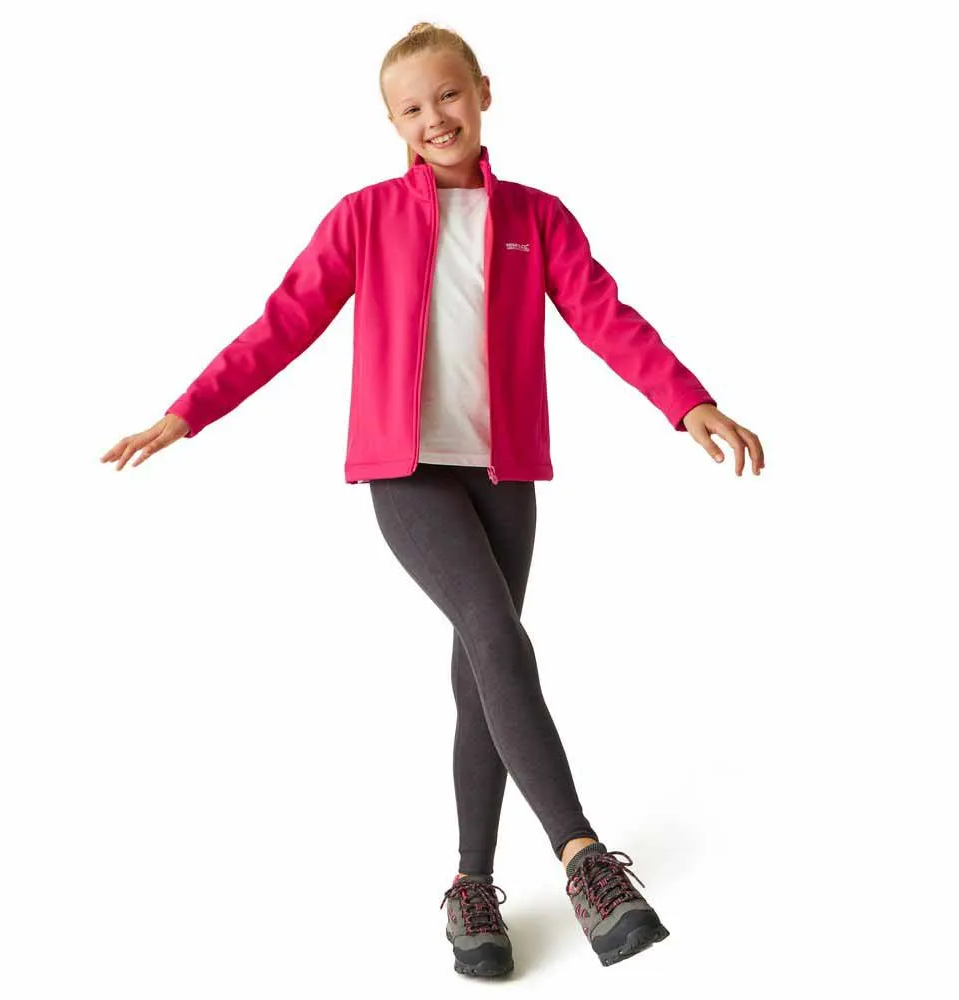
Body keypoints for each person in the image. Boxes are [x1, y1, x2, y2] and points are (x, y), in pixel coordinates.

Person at [100, 21, 764, 977]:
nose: (434, 118)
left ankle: (471, 890)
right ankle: (582, 856)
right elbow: (282, 324)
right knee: (496, 635)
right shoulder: (364, 218)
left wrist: (687, 400)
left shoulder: (537, 217)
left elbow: (605, 316)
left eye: (448, 95)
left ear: (484, 92)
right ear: (392, 125)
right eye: (411, 108)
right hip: (406, 470)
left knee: (482, 671)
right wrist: (187, 411)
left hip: (504, 475)